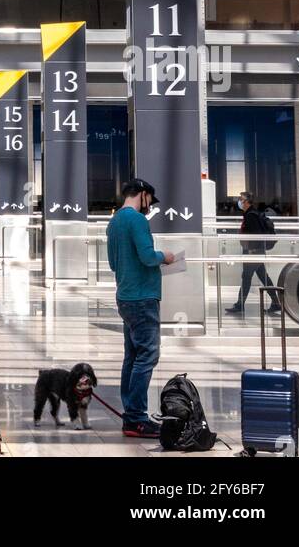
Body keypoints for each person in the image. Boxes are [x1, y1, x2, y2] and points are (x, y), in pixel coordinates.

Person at [107, 178, 177, 438]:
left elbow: (114, 263)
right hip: (143, 297)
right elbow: (148, 256)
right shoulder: (137, 220)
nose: (149, 206)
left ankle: (131, 416)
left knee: (133, 356)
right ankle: (136, 418)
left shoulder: (114, 221)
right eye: (149, 201)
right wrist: (165, 257)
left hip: (125, 296)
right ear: (143, 195)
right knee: (147, 356)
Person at [225, 191, 281, 316]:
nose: (239, 201)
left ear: (247, 202)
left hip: (253, 252)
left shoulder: (251, 215)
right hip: (255, 252)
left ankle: (240, 305)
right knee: (264, 277)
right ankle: (276, 303)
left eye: (241, 199)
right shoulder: (250, 214)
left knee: (246, 277)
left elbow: (256, 235)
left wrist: (252, 251)